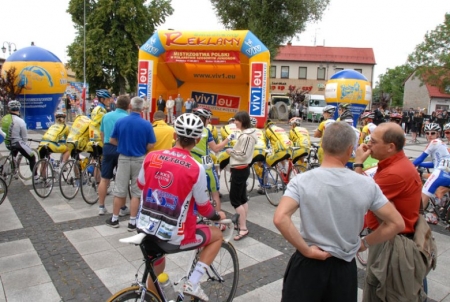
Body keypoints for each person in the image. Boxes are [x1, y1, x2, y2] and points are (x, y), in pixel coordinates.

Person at [274, 122, 404, 302]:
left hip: (307, 264)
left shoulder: (301, 181)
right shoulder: (367, 185)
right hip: (343, 267)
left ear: (322, 145)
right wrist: (365, 242)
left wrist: (307, 251)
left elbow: (280, 218)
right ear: (351, 149)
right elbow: (396, 223)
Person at [136, 113, 226, 301]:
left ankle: (151, 297)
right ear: (198, 139)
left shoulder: (151, 156)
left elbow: (141, 185)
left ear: (175, 135)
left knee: (156, 265)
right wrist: (218, 216)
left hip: (145, 227)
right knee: (217, 236)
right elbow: (204, 209)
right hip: (173, 234)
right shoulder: (196, 167)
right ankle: (193, 284)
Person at [353, 122, 427, 301]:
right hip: (398, 236)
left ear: (390, 147)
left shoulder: (394, 173)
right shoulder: (397, 163)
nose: (369, 145)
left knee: (380, 289)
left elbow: (356, 194)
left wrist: (358, 162)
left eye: (374, 142)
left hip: (390, 242)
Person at [105, 97, 156, 230]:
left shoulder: (121, 121)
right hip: (139, 159)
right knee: (136, 192)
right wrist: (143, 148)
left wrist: (121, 145)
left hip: (123, 158)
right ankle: (132, 222)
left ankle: (115, 219)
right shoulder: (146, 124)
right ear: (142, 108)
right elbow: (151, 143)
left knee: (119, 190)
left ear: (130, 107)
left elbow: (111, 140)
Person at [191, 108, 233, 212]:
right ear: (202, 119)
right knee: (215, 193)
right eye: (208, 119)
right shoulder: (205, 131)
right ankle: (217, 221)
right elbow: (216, 148)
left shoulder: (186, 130)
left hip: (190, 165)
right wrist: (228, 139)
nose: (209, 121)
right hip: (205, 165)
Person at [225, 111, 257, 241]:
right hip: (242, 169)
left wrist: (231, 151)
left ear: (242, 121)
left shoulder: (247, 136)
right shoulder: (247, 134)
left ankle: (243, 228)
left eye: (236, 120)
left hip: (240, 169)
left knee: (235, 200)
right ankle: (242, 224)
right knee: (242, 198)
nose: (235, 122)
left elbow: (243, 154)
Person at [98, 95, 130, 216]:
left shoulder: (106, 116)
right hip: (121, 148)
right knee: (121, 179)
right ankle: (122, 207)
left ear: (116, 104)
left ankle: (101, 206)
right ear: (128, 106)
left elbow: (102, 132)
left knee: (104, 178)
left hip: (107, 146)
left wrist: (104, 144)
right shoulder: (127, 118)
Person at [1, 100, 37, 180]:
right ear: (18, 108)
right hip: (17, 143)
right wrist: (25, 145)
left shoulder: (4, 118)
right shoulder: (20, 121)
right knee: (32, 157)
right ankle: (36, 177)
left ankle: (13, 170)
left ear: (9, 108)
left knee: (13, 154)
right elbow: (24, 137)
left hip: (7, 143)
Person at [87, 89, 112, 155]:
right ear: (102, 99)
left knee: (95, 158)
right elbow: (106, 124)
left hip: (92, 135)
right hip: (98, 137)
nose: (109, 101)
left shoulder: (96, 108)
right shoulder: (101, 110)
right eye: (107, 99)